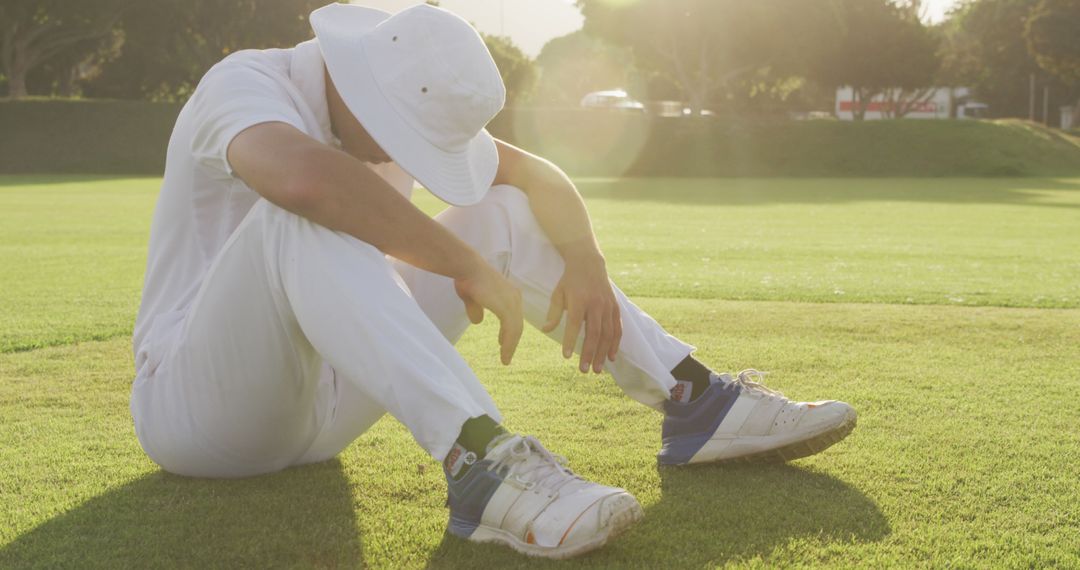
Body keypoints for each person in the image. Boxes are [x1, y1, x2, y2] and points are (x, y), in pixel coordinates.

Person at [130, 3, 856, 560]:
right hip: (196, 413)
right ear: (362, 86)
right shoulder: (247, 83)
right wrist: (462, 264)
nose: (403, 153)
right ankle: (483, 462)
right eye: (401, 134)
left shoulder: (399, 90)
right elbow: (300, 178)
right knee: (299, 217)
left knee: (506, 208)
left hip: (322, 415)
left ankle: (692, 398)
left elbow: (538, 177)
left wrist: (588, 266)